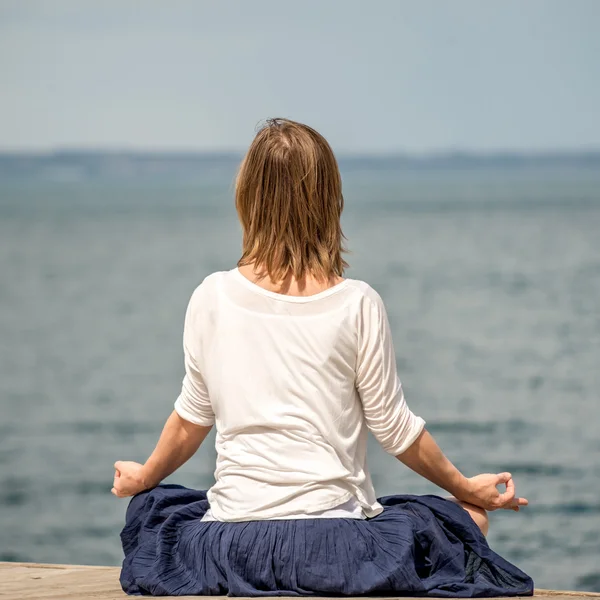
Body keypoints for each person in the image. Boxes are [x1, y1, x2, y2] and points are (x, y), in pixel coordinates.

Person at [112, 118, 533, 597]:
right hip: (338, 549)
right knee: (466, 521)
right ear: (329, 200)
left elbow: (192, 417)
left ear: (247, 198)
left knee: (154, 510)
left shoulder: (211, 296)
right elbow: (395, 430)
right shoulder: (357, 303)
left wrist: (145, 475)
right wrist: (464, 488)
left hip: (232, 545)